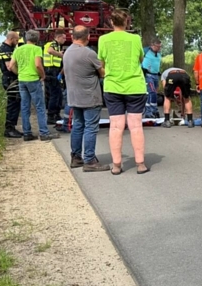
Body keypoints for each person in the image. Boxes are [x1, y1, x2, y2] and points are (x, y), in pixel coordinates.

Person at [98, 9, 149, 174]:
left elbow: (101, 63)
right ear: (127, 22)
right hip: (135, 86)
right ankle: (140, 163)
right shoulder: (135, 39)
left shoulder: (103, 39)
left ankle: (117, 165)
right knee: (135, 126)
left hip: (113, 86)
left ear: (111, 22)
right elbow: (141, 59)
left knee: (115, 127)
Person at [62, 26, 109, 172]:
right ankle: (89, 160)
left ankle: (76, 157)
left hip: (74, 96)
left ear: (72, 36)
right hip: (90, 96)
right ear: (87, 37)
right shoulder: (89, 53)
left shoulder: (67, 52)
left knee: (78, 125)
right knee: (90, 127)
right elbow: (102, 73)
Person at [8, 30, 58, 141]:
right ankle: (44, 133)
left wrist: (19, 73)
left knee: (25, 107)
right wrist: (43, 75)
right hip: (33, 79)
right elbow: (38, 65)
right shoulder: (36, 49)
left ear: (26, 38)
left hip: (22, 80)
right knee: (40, 107)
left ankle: (27, 133)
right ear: (37, 39)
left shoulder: (18, 49)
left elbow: (11, 66)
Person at [0, 30, 22, 138]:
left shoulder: (7, 48)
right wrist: (20, 74)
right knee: (13, 103)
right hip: (10, 78)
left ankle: (11, 127)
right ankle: (9, 129)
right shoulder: (6, 50)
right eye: (16, 40)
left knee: (15, 102)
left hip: (10, 78)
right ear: (11, 39)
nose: (17, 42)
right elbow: (10, 66)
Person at [43, 30, 67, 129]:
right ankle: (51, 116)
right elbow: (50, 51)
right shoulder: (52, 43)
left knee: (58, 95)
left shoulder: (57, 45)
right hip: (51, 71)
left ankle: (56, 114)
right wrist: (61, 55)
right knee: (54, 95)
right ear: (59, 37)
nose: (65, 40)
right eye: (64, 38)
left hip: (54, 71)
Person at [142, 38, 163, 118]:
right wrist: (142, 69)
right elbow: (139, 59)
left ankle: (154, 110)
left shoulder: (159, 53)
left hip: (155, 75)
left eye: (160, 47)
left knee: (155, 93)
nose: (159, 48)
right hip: (148, 75)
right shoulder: (145, 51)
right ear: (152, 45)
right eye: (157, 47)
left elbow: (157, 63)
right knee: (152, 92)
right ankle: (149, 111)